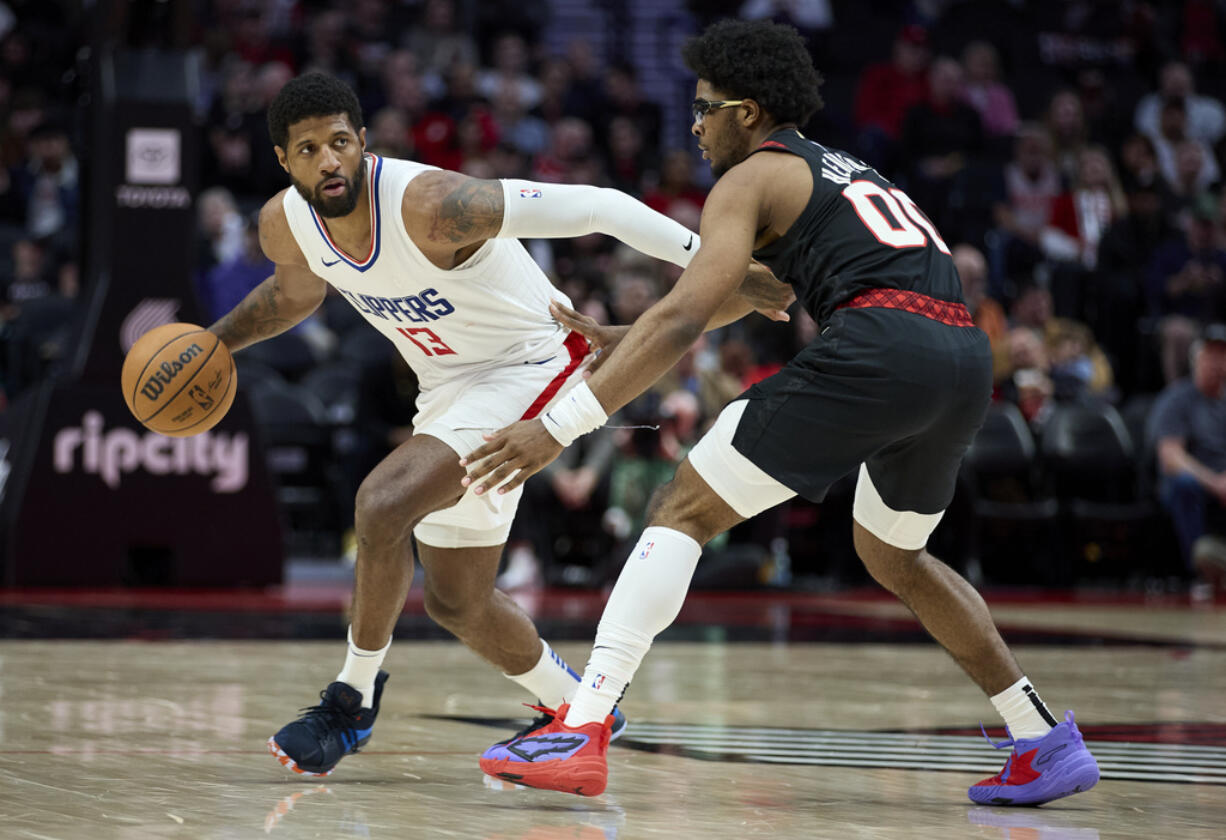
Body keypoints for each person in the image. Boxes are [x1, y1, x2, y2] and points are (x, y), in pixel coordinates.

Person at [464, 20, 1100, 805]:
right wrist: (626, 334)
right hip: (963, 355)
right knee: (894, 555)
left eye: (705, 109)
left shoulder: (752, 176)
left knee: (685, 505)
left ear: (751, 111)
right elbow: (746, 294)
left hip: (880, 343)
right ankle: (1042, 735)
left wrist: (555, 427)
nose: (693, 128)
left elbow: (684, 321)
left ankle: (581, 727)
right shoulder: (843, 170)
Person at [207, 71, 788, 778]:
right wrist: (214, 345)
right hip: (450, 386)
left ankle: (352, 697)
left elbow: (600, 206)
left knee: (381, 505)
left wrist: (720, 266)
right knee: (458, 600)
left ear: (362, 142)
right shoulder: (285, 222)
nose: (328, 161)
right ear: (282, 160)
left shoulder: (432, 205)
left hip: (536, 360)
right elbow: (291, 293)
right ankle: (578, 709)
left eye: (338, 143)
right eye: (307, 150)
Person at [1149, 325, 1226, 589]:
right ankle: (1200, 573)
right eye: (1211, 355)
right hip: (1191, 484)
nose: (1217, 363)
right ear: (1196, 359)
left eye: (1223, 355)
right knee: (1185, 484)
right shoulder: (1177, 399)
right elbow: (1171, 457)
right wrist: (1215, 482)